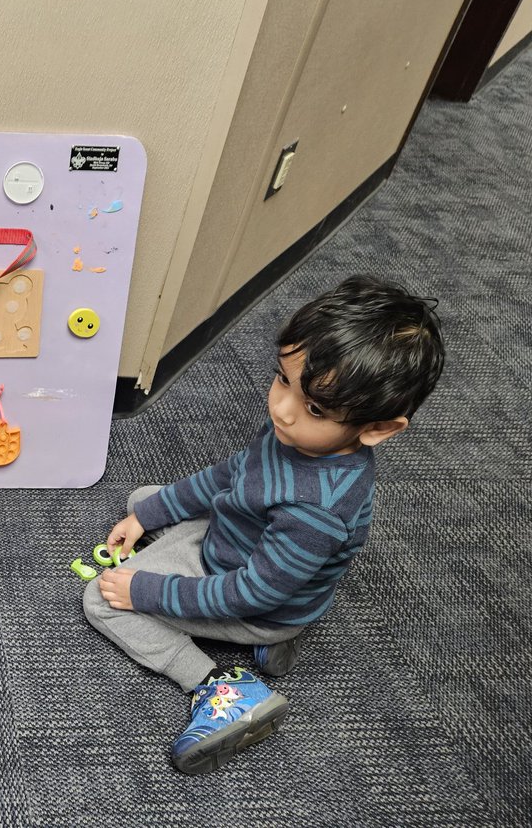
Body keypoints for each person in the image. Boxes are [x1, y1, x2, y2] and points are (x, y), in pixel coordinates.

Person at [83, 275, 444, 774]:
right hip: (244, 542)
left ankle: (223, 689)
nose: (282, 409)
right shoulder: (296, 435)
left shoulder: (316, 511)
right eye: (282, 379)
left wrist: (145, 591)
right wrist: (149, 514)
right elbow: (235, 475)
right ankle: (266, 646)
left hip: (259, 600)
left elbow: (252, 594)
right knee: (146, 498)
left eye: (314, 408)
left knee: (103, 601)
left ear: (378, 428)